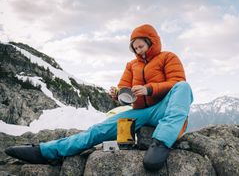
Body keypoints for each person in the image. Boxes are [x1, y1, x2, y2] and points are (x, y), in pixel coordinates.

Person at [5, 24, 193, 171]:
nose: (138, 51)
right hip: (140, 112)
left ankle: (162, 142)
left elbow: (177, 83)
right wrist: (118, 95)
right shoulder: (131, 65)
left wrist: (149, 89)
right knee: (96, 131)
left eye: (141, 46)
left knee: (184, 87)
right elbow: (124, 89)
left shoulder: (168, 57)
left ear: (152, 42)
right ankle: (45, 151)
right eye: (134, 48)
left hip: (163, 107)